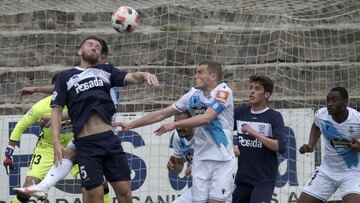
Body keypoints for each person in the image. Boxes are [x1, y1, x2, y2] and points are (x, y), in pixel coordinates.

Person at [50, 35, 158, 203]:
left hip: (109, 140)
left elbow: (131, 77)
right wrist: (56, 141)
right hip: (86, 144)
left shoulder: (106, 71)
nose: (94, 47)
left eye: (97, 47)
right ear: (80, 50)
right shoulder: (66, 76)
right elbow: (56, 111)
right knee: (95, 196)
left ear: (100, 54)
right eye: (90, 44)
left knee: (125, 193)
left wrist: (143, 74)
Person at [113, 60, 235, 203]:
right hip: (200, 160)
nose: (195, 76)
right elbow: (163, 113)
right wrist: (131, 125)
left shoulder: (223, 92)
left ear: (213, 76)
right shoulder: (193, 95)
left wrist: (174, 124)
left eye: (199, 72)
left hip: (222, 160)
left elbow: (207, 118)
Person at [14, 38, 115, 203]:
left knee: (99, 185)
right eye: (92, 47)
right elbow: (63, 87)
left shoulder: (106, 76)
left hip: (102, 133)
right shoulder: (50, 102)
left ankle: (43, 186)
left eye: (99, 52)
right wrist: (36, 89)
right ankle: (42, 187)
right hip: (74, 140)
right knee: (83, 175)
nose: (96, 55)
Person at [2, 74, 74, 203]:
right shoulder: (41, 106)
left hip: (75, 146)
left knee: (97, 184)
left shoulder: (77, 102)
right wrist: (9, 153)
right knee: (28, 186)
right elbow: (20, 126)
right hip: (48, 148)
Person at [298, 87, 360, 203]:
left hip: (352, 173)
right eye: (328, 100)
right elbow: (316, 125)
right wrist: (311, 145)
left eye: (334, 100)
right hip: (327, 171)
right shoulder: (321, 115)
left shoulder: (357, 119)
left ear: (346, 102)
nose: (329, 104)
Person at [232, 74, 287, 203]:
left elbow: (281, 147)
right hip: (242, 179)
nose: (252, 91)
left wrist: (254, 133)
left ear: (266, 95)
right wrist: (230, 147)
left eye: (257, 89)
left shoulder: (274, 117)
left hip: (263, 181)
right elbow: (223, 130)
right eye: (251, 88)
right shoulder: (241, 112)